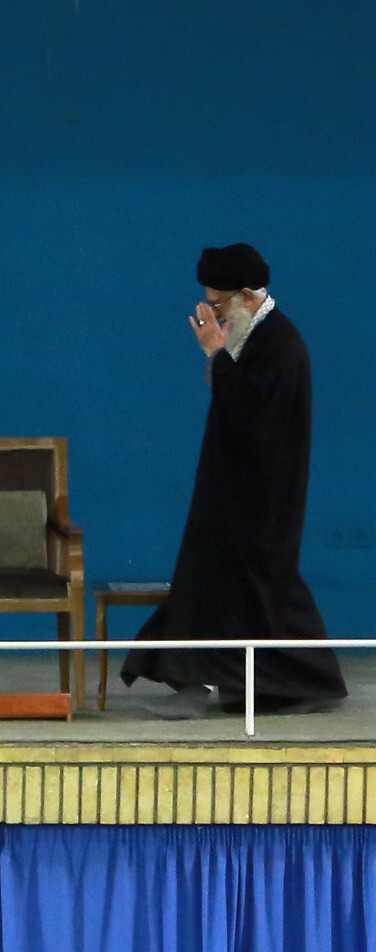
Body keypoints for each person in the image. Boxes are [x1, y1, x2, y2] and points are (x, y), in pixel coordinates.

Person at [122, 242, 346, 718]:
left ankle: (302, 684)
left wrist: (216, 355)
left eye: (218, 304)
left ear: (246, 296)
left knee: (262, 593)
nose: (213, 314)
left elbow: (251, 413)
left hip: (261, 499)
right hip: (235, 493)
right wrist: (223, 361)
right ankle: (203, 686)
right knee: (213, 586)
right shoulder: (257, 335)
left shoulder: (280, 342)